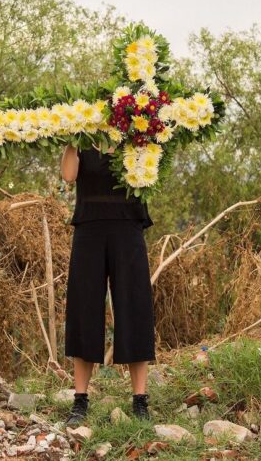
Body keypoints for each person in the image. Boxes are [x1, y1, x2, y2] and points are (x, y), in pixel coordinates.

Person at [59, 142, 156, 426]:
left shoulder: (138, 134)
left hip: (128, 225)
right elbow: (68, 175)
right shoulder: (81, 137)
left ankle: (140, 400)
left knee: (134, 306)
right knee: (84, 307)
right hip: (89, 227)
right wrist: (71, 139)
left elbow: (151, 173)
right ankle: (80, 399)